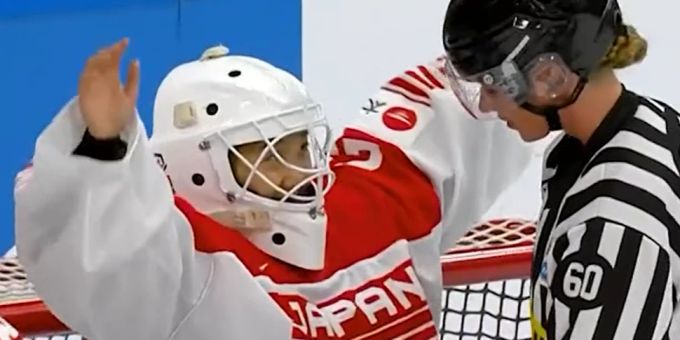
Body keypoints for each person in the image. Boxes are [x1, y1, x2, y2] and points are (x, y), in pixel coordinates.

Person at [14, 38, 532, 339]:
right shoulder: (183, 267)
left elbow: (461, 97)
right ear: (200, 165)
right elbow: (97, 250)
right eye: (269, 154)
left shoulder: (373, 199)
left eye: (300, 145)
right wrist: (100, 147)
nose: (302, 169)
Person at [442, 0, 680, 339]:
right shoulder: (648, 122)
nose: (484, 102)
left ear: (549, 77)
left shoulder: (611, 227)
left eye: (492, 85)